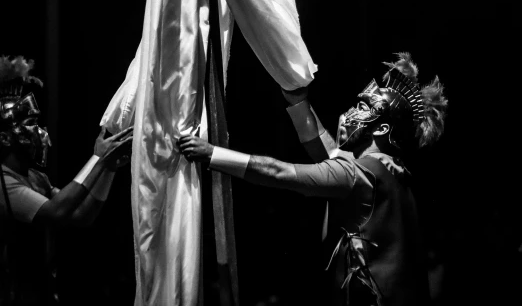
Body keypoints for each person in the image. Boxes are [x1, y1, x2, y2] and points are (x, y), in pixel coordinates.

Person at [179, 52, 448, 306]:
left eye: (363, 107)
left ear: (382, 127)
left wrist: (212, 154)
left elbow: (278, 172)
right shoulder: (392, 170)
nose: (350, 113)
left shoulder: (358, 174)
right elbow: (332, 156)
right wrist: (297, 102)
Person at [0, 55, 133, 305]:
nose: (40, 131)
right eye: (30, 123)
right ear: (5, 139)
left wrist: (109, 169)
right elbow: (57, 212)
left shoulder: (35, 176)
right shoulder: (4, 183)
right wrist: (97, 159)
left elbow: (81, 214)